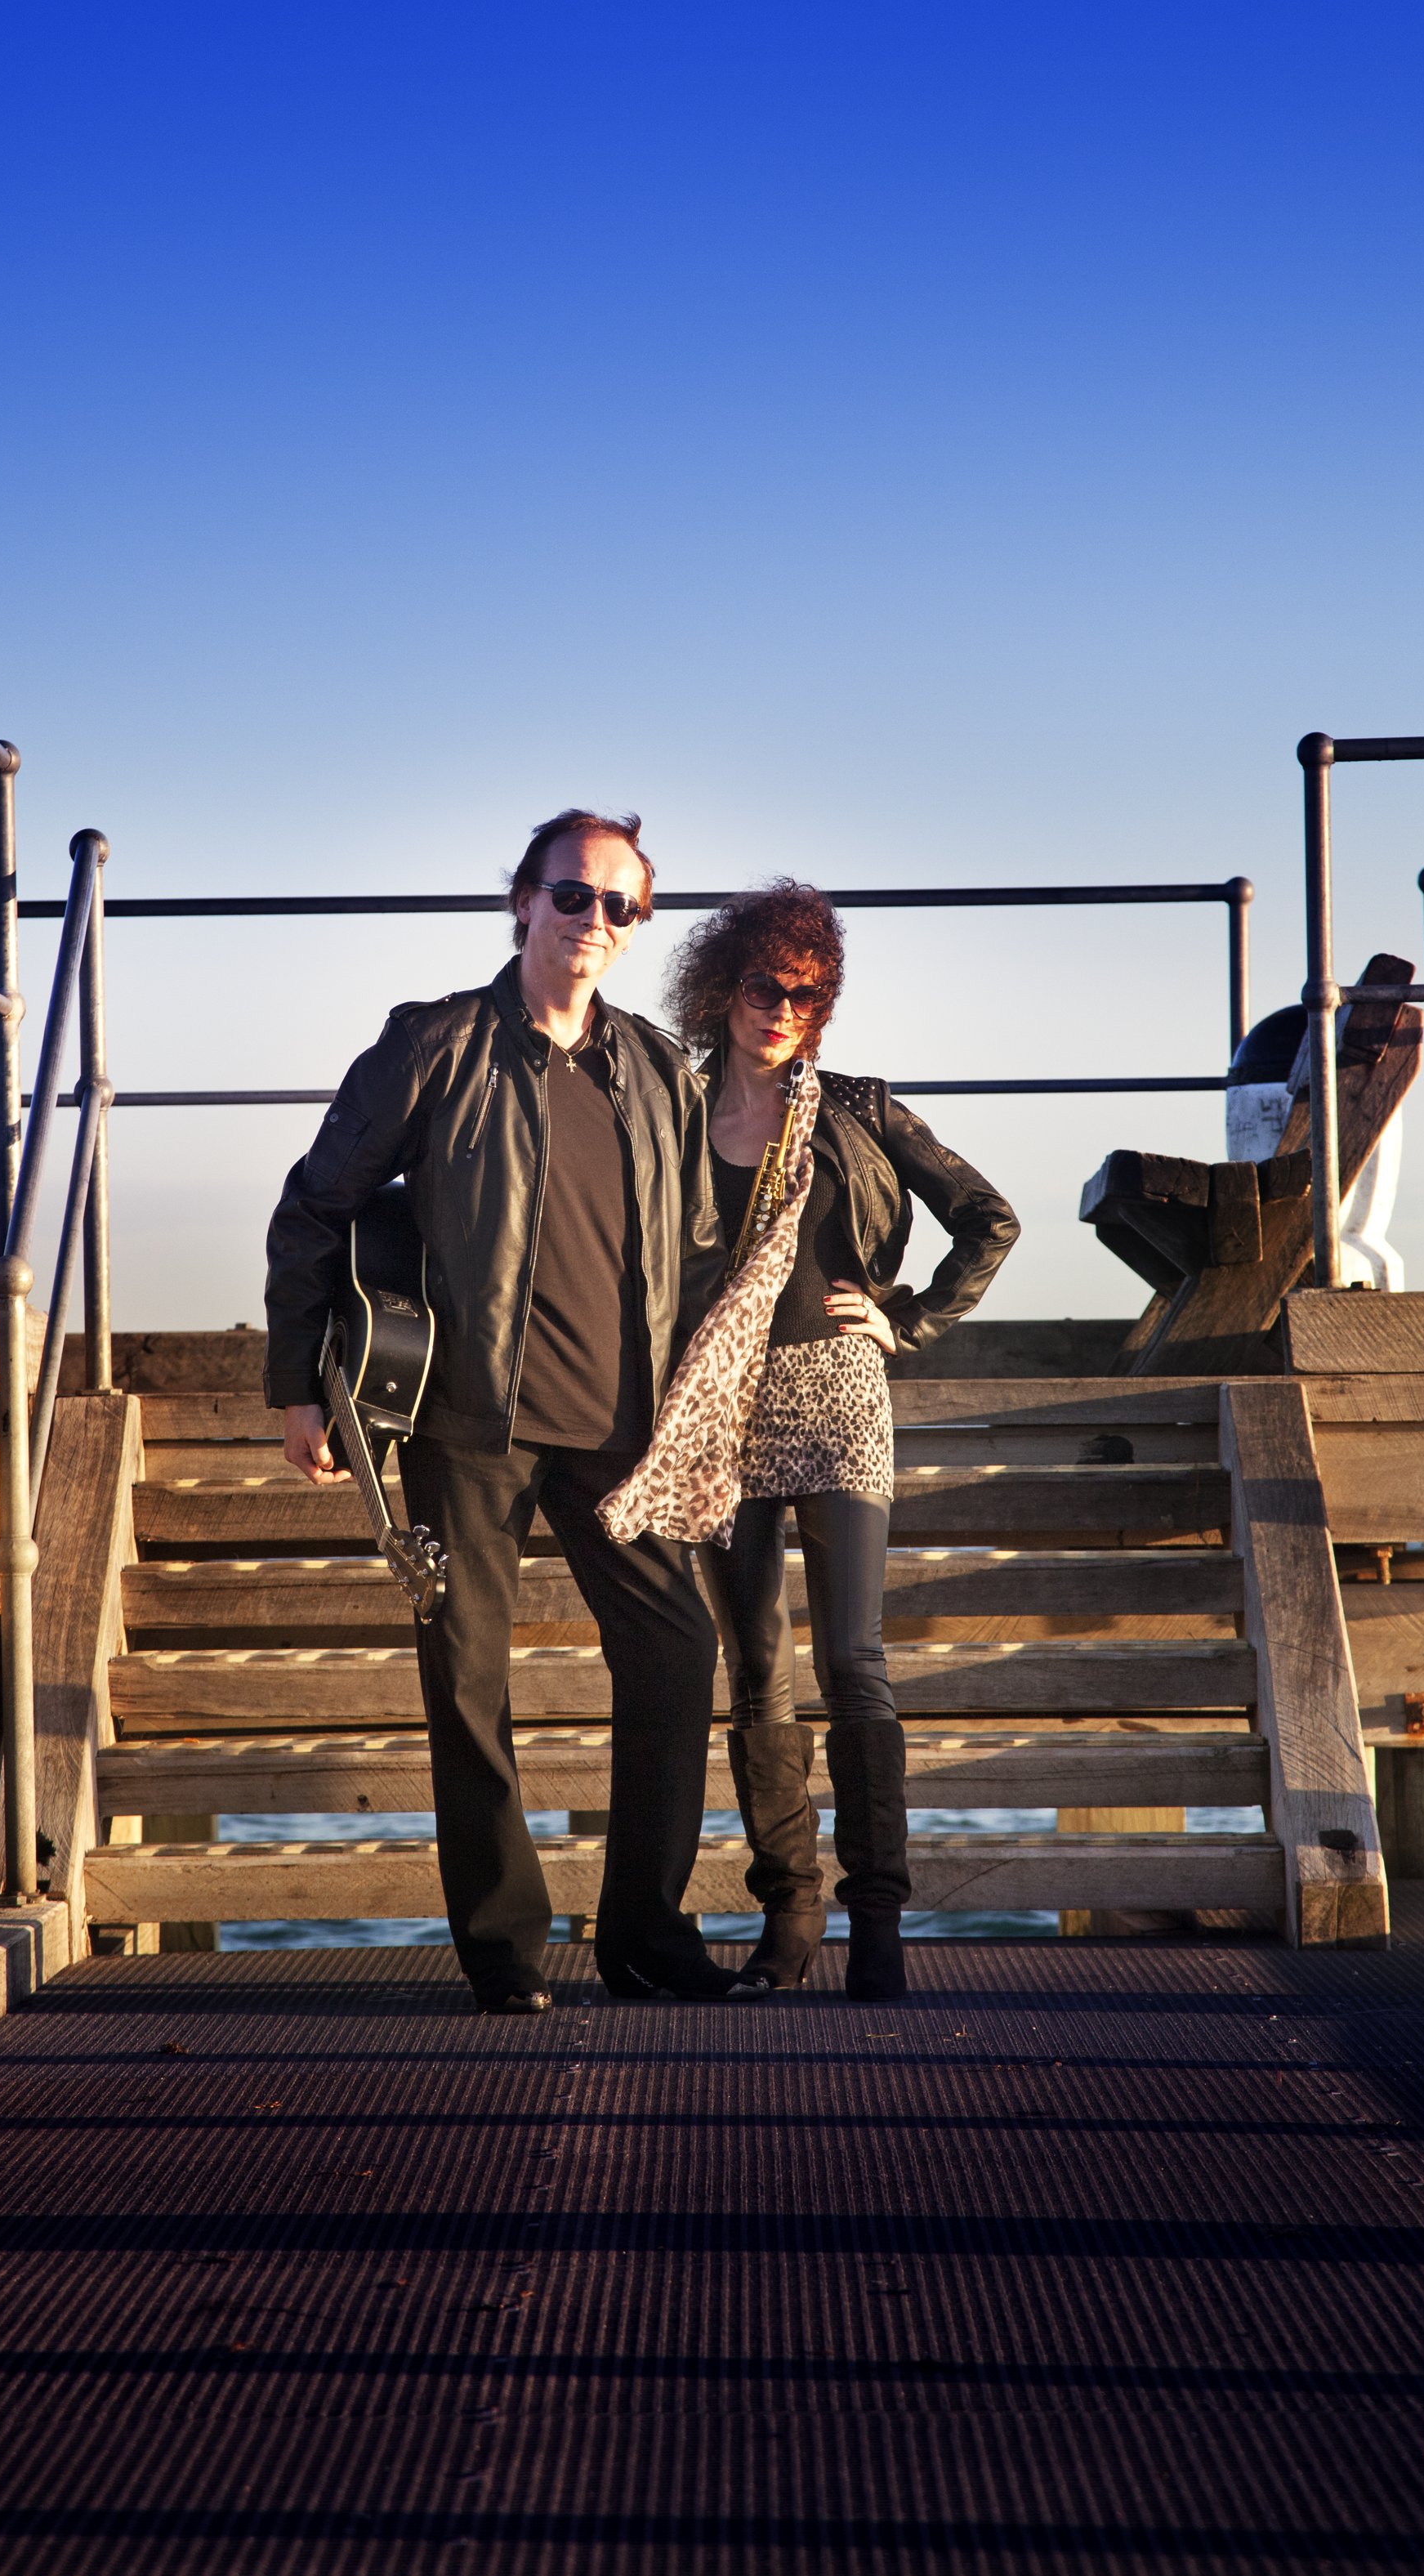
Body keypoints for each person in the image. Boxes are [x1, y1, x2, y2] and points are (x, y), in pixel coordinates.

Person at [263, 809, 731, 2014]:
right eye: (572, 896)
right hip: (471, 1424)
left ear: (637, 927)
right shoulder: (439, 1042)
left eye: (618, 905)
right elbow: (316, 1204)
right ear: (520, 903)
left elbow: (696, 1245)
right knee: (470, 1679)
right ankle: (506, 1947)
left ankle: (644, 1936)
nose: (593, 921)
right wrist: (298, 1384)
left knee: (678, 1656)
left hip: (623, 1435)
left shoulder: (655, 1072)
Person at [607, 881, 1018, 2002]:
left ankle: (877, 1921)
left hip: (837, 1394)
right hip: (719, 1408)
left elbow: (991, 1218)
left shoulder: (861, 1108)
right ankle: (788, 1917)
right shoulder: (673, 1115)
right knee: (756, 1678)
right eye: (762, 985)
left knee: (854, 1664)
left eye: (807, 991)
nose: (783, 1007)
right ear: (721, 987)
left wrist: (912, 1318)